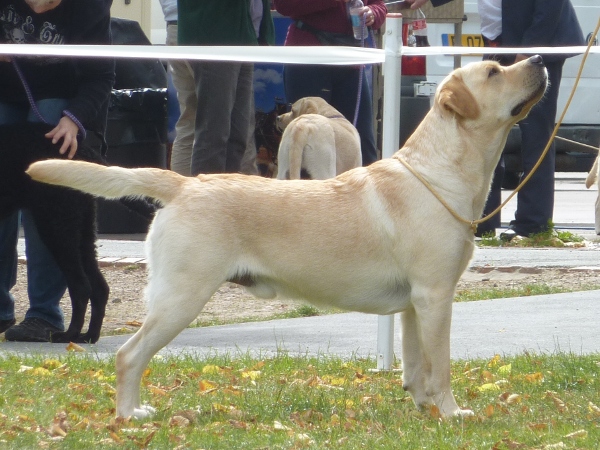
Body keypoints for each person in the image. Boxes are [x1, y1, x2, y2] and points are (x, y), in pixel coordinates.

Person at [407, 0, 585, 239]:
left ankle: (532, 224)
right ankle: (482, 221)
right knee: (486, 130)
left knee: (536, 135)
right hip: (500, 41)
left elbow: (550, 7)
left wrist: (526, 52)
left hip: (535, 39)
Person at [0, 0, 115, 341]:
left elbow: (101, 76)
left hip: (61, 96)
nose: (38, 6)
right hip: (5, 89)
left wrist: (74, 118)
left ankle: (43, 313)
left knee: (51, 208)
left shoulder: (89, 8)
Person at [273, 0, 387, 166]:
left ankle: (361, 191)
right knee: (308, 148)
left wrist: (372, 13)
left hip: (350, 61)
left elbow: (379, 5)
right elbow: (283, 5)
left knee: (363, 148)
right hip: (308, 60)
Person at [177, 0, 274, 175]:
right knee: (214, 135)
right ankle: (204, 200)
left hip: (243, 37)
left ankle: (225, 197)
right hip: (214, 37)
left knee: (238, 137)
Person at [158, 0, 195, 176]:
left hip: (174, 25)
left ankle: (180, 195)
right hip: (200, 27)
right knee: (215, 123)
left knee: (188, 120)